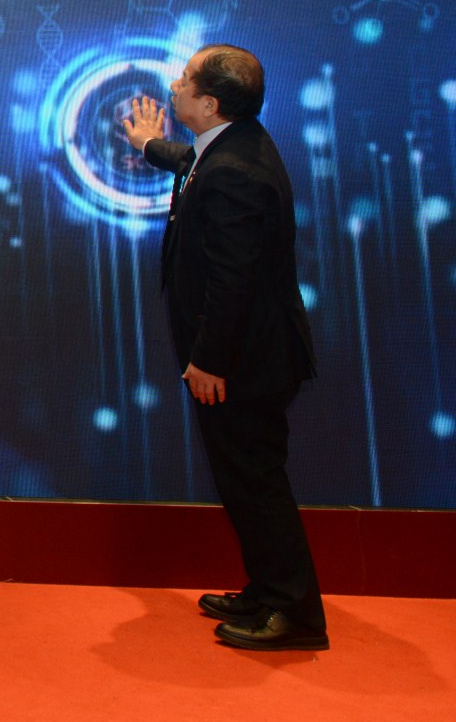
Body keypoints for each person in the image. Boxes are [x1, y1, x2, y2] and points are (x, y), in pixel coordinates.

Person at [123, 44, 327, 651]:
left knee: (256, 483)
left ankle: (295, 614)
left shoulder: (235, 170)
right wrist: (149, 145)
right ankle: (267, 591)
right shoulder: (232, 146)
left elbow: (233, 281)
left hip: (242, 363)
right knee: (243, 481)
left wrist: (209, 361)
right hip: (247, 356)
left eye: (185, 79)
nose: (173, 84)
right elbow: (192, 163)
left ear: (209, 103)